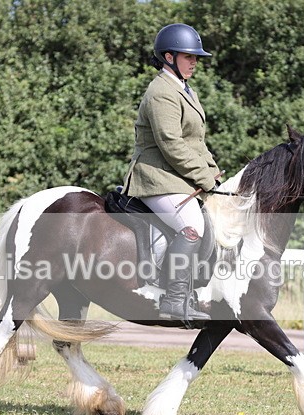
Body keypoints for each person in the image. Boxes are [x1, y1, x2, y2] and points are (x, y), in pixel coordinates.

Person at [122, 23, 220, 325]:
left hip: (175, 177)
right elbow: (172, 144)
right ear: (168, 57)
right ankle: (174, 300)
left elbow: (196, 142)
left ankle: (193, 291)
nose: (194, 62)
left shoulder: (185, 90)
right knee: (191, 225)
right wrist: (203, 179)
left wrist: (213, 171)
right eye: (188, 56)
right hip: (155, 178)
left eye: (196, 57)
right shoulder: (161, 92)